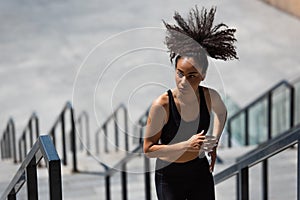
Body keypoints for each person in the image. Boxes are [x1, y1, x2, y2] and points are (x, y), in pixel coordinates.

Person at [143, 6, 238, 200]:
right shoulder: (162, 105)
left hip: (199, 172)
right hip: (169, 177)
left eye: (192, 76)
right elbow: (149, 149)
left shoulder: (209, 96)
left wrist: (216, 140)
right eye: (180, 73)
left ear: (202, 75)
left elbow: (222, 112)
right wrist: (186, 145)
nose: (183, 81)